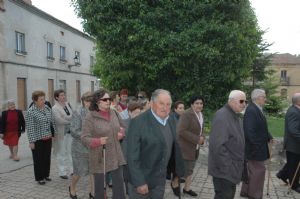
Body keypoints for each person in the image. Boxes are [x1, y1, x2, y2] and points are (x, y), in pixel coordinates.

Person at [127, 89, 184, 199]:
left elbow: (174, 147)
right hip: (142, 181)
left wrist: (176, 173)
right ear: (152, 103)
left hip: (160, 181)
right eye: (161, 103)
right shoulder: (138, 122)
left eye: (168, 104)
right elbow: (132, 156)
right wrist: (139, 182)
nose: (165, 107)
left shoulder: (172, 119)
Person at [81, 88, 126, 199]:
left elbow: (123, 126)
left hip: (115, 154)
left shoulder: (113, 112)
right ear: (97, 101)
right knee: (100, 189)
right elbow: (84, 138)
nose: (108, 101)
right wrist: (98, 141)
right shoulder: (90, 117)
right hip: (100, 156)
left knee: (119, 186)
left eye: (109, 99)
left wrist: (121, 132)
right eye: (105, 99)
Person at [208, 90, 247, 199]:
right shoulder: (222, 116)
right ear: (232, 101)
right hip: (224, 171)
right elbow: (217, 147)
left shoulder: (234, 115)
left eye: (245, 101)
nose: (244, 104)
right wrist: (228, 167)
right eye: (241, 101)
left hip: (231, 171)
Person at [240, 89, 273, 199]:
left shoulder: (257, 109)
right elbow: (249, 132)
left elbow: (261, 127)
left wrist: (269, 137)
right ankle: (254, 195)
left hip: (256, 147)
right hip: (255, 148)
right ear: (258, 98)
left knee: (252, 171)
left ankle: (246, 192)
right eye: (264, 97)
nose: (265, 99)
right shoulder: (251, 110)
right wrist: (257, 146)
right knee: (258, 172)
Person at [176, 95, 205, 197]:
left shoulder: (201, 114)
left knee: (190, 169)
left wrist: (202, 138)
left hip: (195, 148)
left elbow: (201, 130)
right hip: (185, 148)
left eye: (201, 103)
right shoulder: (186, 114)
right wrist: (197, 139)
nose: (199, 105)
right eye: (197, 103)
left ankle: (186, 189)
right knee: (183, 171)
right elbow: (181, 131)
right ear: (192, 104)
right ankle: (175, 187)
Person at [26, 90, 56, 185]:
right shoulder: (31, 111)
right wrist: (31, 142)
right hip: (37, 139)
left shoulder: (47, 108)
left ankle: (46, 175)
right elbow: (30, 128)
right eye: (41, 99)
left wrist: (53, 134)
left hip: (48, 137)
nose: (43, 101)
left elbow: (52, 121)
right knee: (38, 159)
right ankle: (39, 177)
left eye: (44, 98)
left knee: (47, 157)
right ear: (35, 101)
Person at [69, 91, 94, 199]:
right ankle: (72, 187)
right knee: (79, 172)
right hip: (79, 147)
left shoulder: (95, 112)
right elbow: (74, 131)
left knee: (93, 171)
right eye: (87, 101)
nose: (89, 103)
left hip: (93, 146)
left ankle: (92, 193)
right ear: (83, 101)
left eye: (91, 101)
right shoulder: (78, 112)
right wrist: (87, 136)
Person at [52, 89, 73, 179]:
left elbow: (73, 114)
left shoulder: (68, 104)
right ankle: (62, 172)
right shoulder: (54, 108)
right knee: (62, 152)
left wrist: (67, 118)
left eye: (64, 95)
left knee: (71, 151)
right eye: (61, 95)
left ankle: (72, 170)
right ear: (57, 97)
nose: (63, 97)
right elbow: (59, 120)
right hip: (61, 133)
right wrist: (69, 120)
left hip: (70, 132)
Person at [282, 93, 300, 193]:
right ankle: (294, 185)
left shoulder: (296, 110)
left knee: (293, 164)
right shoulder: (293, 112)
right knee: (293, 166)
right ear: (298, 101)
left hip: (295, 144)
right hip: (293, 145)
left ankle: (282, 175)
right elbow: (293, 130)